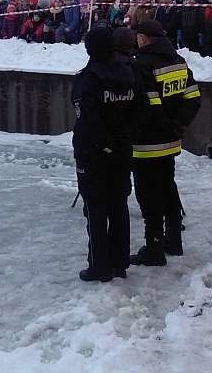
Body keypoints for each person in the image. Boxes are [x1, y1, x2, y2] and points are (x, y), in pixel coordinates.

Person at [129, 20, 201, 266]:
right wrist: (178, 125)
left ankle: (154, 248)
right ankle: (173, 241)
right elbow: (193, 98)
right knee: (168, 189)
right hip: (170, 142)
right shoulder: (179, 62)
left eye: (138, 36)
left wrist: (162, 127)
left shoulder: (142, 64)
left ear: (145, 38)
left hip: (147, 144)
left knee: (148, 196)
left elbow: (150, 104)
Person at [72, 27, 137, 282]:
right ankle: (120, 261)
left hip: (93, 154)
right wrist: (121, 141)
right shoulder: (130, 74)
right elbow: (138, 110)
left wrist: (104, 144)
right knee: (118, 206)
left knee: (96, 209)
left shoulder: (87, 78)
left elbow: (87, 119)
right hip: (122, 151)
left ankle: (100, 265)